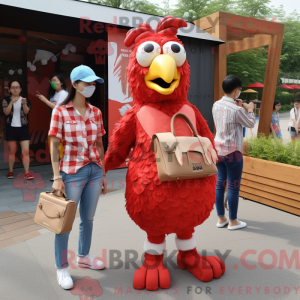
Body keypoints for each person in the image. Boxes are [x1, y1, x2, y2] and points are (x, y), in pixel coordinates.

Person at [48, 65, 107, 290]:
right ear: (74, 84)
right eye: (88, 83)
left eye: (94, 83)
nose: (92, 86)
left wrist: (102, 173)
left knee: (88, 219)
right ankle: (62, 267)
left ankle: (83, 256)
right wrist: (56, 177)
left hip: (94, 170)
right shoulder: (60, 111)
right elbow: (54, 146)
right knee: (65, 223)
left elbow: (100, 144)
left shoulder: (96, 112)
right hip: (71, 172)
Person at [212, 75, 256, 230]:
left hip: (218, 151)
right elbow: (250, 123)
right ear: (237, 90)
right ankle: (233, 221)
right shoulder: (237, 109)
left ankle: (221, 218)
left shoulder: (216, 105)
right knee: (233, 186)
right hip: (233, 152)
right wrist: (250, 109)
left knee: (219, 185)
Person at [36, 73, 68, 181]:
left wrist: (44, 100)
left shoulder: (63, 94)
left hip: (62, 125)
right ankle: (57, 173)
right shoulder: (55, 94)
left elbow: (57, 108)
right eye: (51, 80)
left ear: (61, 82)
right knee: (54, 149)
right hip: (55, 124)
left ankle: (61, 173)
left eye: (55, 80)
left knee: (60, 150)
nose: (52, 82)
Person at [2, 79, 34, 180]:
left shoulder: (25, 100)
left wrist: (24, 104)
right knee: (11, 151)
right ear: (9, 89)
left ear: (20, 89)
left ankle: (27, 172)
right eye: (13, 87)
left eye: (17, 87)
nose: (15, 89)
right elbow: (6, 113)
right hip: (11, 128)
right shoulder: (6, 100)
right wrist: (11, 102)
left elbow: (26, 112)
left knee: (26, 152)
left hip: (23, 128)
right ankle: (11, 171)